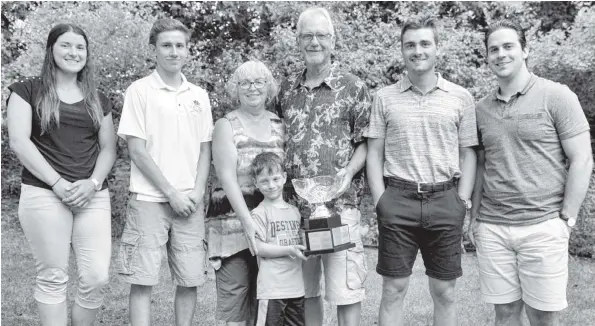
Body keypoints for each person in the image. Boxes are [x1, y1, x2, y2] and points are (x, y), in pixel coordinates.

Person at [469, 20, 593, 326]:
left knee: (541, 317)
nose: (501, 54)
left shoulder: (556, 96)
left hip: (543, 225)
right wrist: (475, 218)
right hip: (494, 228)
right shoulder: (480, 109)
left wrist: (568, 218)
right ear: (487, 57)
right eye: (493, 49)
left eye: (508, 46)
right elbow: (483, 164)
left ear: (525, 50)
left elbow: (582, 159)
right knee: (505, 313)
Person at [366, 16, 478, 326]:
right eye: (410, 45)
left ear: (436, 49)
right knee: (393, 289)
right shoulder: (384, 97)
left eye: (425, 43)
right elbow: (374, 153)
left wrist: (462, 201)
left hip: (445, 199)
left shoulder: (460, 97)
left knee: (445, 291)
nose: (418, 50)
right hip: (397, 199)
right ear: (401, 51)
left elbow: (469, 153)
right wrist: (381, 200)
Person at [6, 23, 116, 326]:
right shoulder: (26, 90)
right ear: (51, 50)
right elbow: (19, 141)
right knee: (53, 276)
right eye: (66, 45)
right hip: (44, 193)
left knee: (96, 277)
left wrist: (93, 184)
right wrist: (57, 183)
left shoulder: (98, 98)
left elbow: (108, 149)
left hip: (92, 195)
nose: (74, 52)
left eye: (80, 47)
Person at [274, 7, 371, 326]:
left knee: (346, 290)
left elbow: (365, 142)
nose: (314, 42)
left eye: (321, 35)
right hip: (294, 209)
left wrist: (349, 173)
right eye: (307, 36)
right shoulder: (284, 91)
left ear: (332, 41)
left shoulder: (354, 87)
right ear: (298, 42)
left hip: (340, 207)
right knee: (305, 292)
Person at [116, 19, 213, 326]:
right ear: (154, 50)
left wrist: (196, 192)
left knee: (189, 279)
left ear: (188, 51)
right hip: (148, 199)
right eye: (166, 45)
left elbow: (204, 149)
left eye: (180, 45)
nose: (174, 52)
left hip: (190, 202)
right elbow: (137, 150)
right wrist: (171, 194)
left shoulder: (199, 95)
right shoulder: (140, 91)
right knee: (143, 279)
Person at [208, 60, 285, 326]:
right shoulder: (225, 125)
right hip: (232, 226)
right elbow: (227, 179)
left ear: (269, 87)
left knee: (268, 303)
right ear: (236, 89)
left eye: (259, 81)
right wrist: (248, 223)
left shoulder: (279, 125)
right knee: (234, 303)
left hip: (271, 226)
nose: (252, 88)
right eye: (244, 83)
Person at [249, 152, 307, 326]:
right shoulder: (258, 213)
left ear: (284, 178)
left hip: (296, 289)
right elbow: (257, 248)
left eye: (275, 179)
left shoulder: (295, 211)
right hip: (271, 291)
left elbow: (301, 243)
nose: (271, 185)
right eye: (264, 181)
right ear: (256, 183)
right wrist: (288, 250)